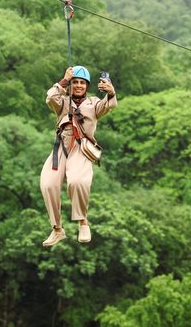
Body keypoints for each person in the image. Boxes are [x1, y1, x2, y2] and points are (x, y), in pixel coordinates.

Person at [39, 65, 116, 247]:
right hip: (61, 149)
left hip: (81, 149)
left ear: (87, 86)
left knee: (77, 182)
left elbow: (107, 106)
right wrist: (64, 81)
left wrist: (111, 93)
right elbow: (51, 97)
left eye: (82, 83)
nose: (78, 86)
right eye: (75, 83)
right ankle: (57, 229)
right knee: (48, 184)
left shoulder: (94, 104)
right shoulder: (63, 103)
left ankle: (83, 221)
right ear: (70, 85)